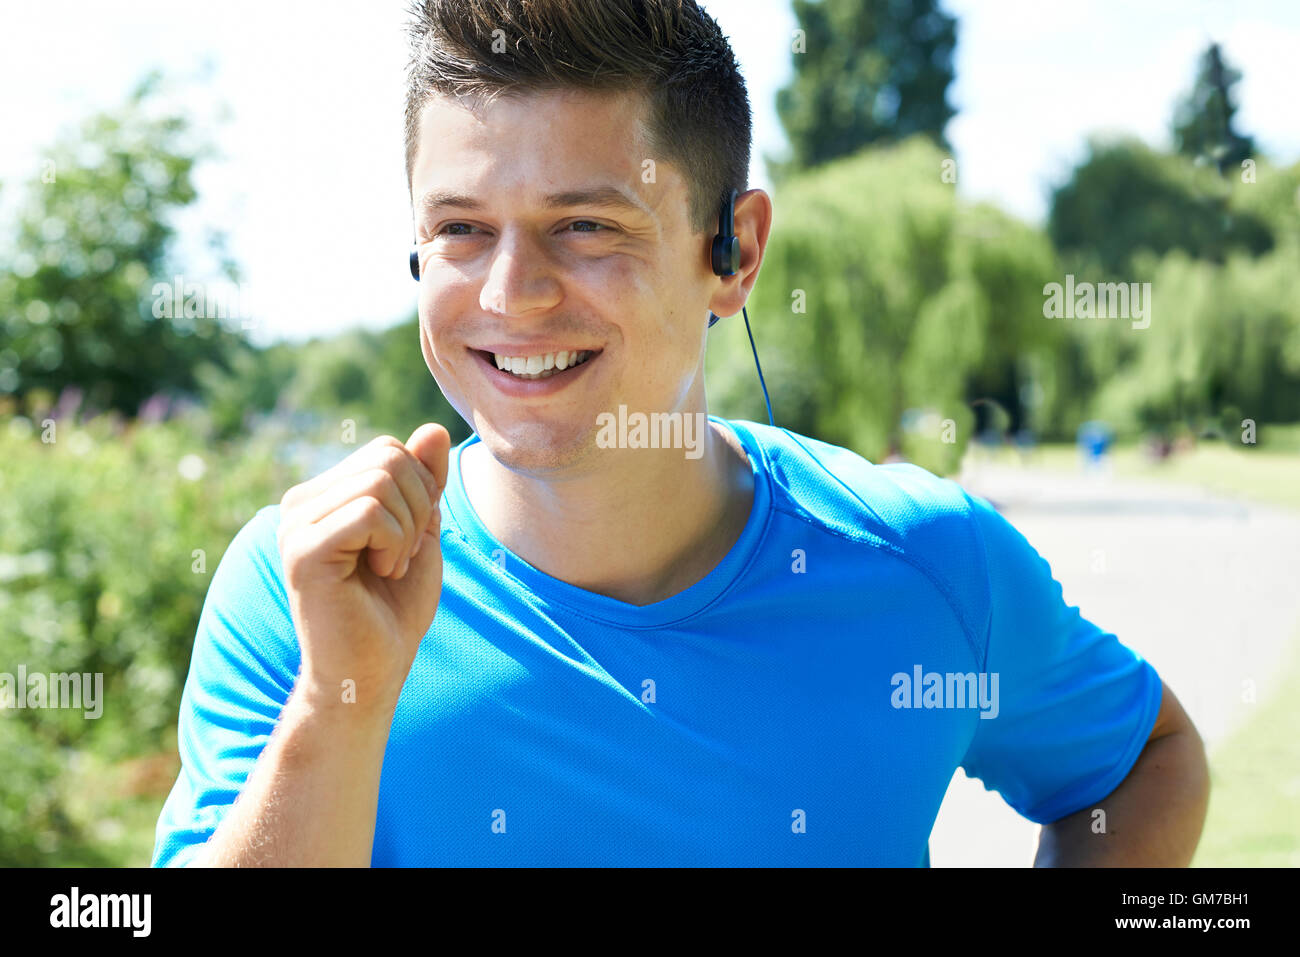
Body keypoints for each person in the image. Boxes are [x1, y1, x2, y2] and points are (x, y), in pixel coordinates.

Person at [152, 0, 1208, 867]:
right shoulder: (305, 590)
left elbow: (1142, 762)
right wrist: (338, 709)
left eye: (586, 226)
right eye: (461, 229)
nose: (511, 297)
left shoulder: (924, 559)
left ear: (734, 253)